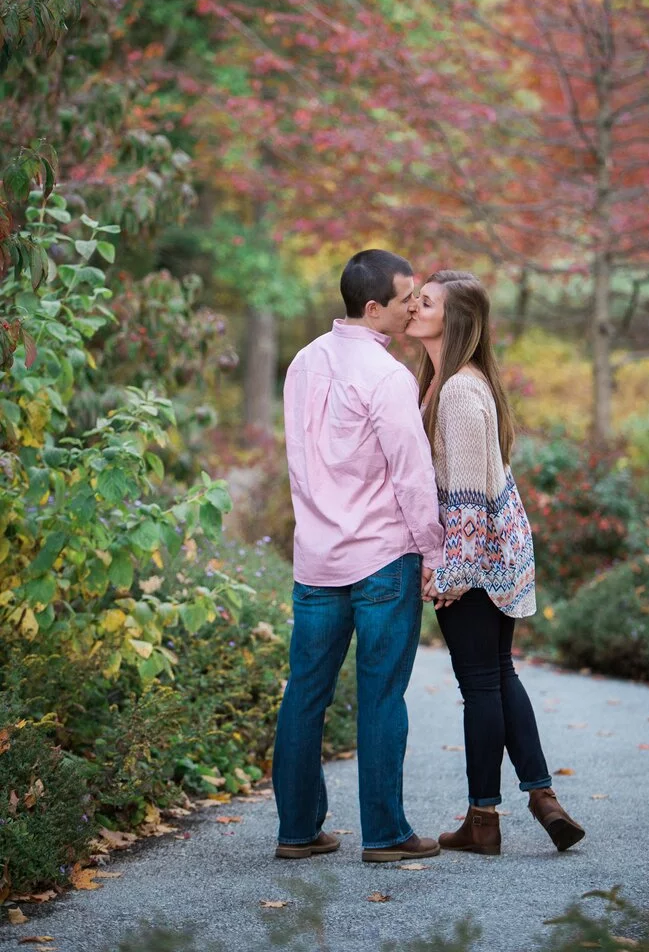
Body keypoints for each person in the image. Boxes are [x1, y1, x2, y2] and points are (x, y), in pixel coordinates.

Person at [272, 249, 445, 863]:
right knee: (380, 696)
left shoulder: (303, 363)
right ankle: (387, 835)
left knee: (305, 694)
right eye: (405, 301)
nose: (413, 309)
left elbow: (299, 459)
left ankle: (297, 831)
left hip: (317, 557)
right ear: (373, 308)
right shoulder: (388, 377)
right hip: (381, 557)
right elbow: (413, 475)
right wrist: (435, 552)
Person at [405, 269, 586, 857]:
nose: (413, 308)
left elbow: (468, 496)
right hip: (490, 549)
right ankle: (542, 799)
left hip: (477, 554)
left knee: (480, 684)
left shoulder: (458, 389)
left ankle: (484, 820)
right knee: (498, 677)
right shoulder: (447, 380)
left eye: (425, 303)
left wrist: (453, 575)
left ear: (453, 320)